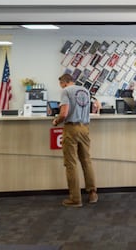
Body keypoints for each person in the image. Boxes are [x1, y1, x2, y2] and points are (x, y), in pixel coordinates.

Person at [53, 73, 98, 207]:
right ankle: (92, 194)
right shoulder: (85, 90)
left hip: (71, 129)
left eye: (60, 85)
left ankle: (75, 198)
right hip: (85, 128)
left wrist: (56, 121)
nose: (61, 87)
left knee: (71, 163)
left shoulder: (66, 91)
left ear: (64, 82)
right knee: (86, 161)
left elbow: (64, 113)